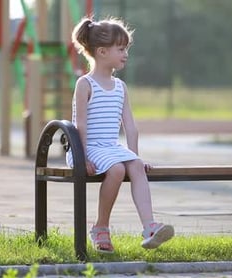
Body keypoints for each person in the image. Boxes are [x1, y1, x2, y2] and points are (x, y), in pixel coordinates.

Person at [66, 17, 174, 254]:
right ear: (102, 52)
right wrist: (83, 158)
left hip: (110, 149)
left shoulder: (120, 87)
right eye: (121, 49)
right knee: (116, 169)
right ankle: (101, 227)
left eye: (126, 48)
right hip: (85, 148)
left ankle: (150, 228)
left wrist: (134, 158)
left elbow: (131, 127)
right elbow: (80, 126)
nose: (126, 53)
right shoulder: (85, 84)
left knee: (133, 165)